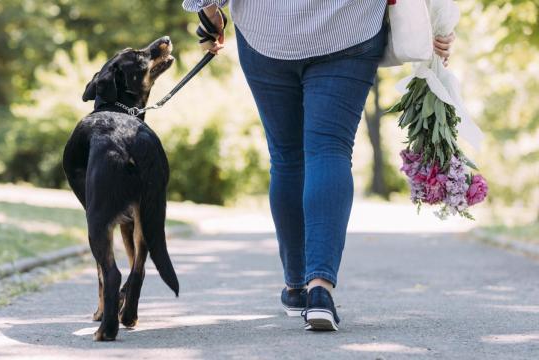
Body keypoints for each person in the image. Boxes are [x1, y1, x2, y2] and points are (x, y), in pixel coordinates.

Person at [182, 1, 455, 331]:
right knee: (331, 151)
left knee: (286, 158)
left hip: (268, 34)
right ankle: (320, 290)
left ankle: (296, 287)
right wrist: (436, 26)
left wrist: (211, 17)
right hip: (349, 29)